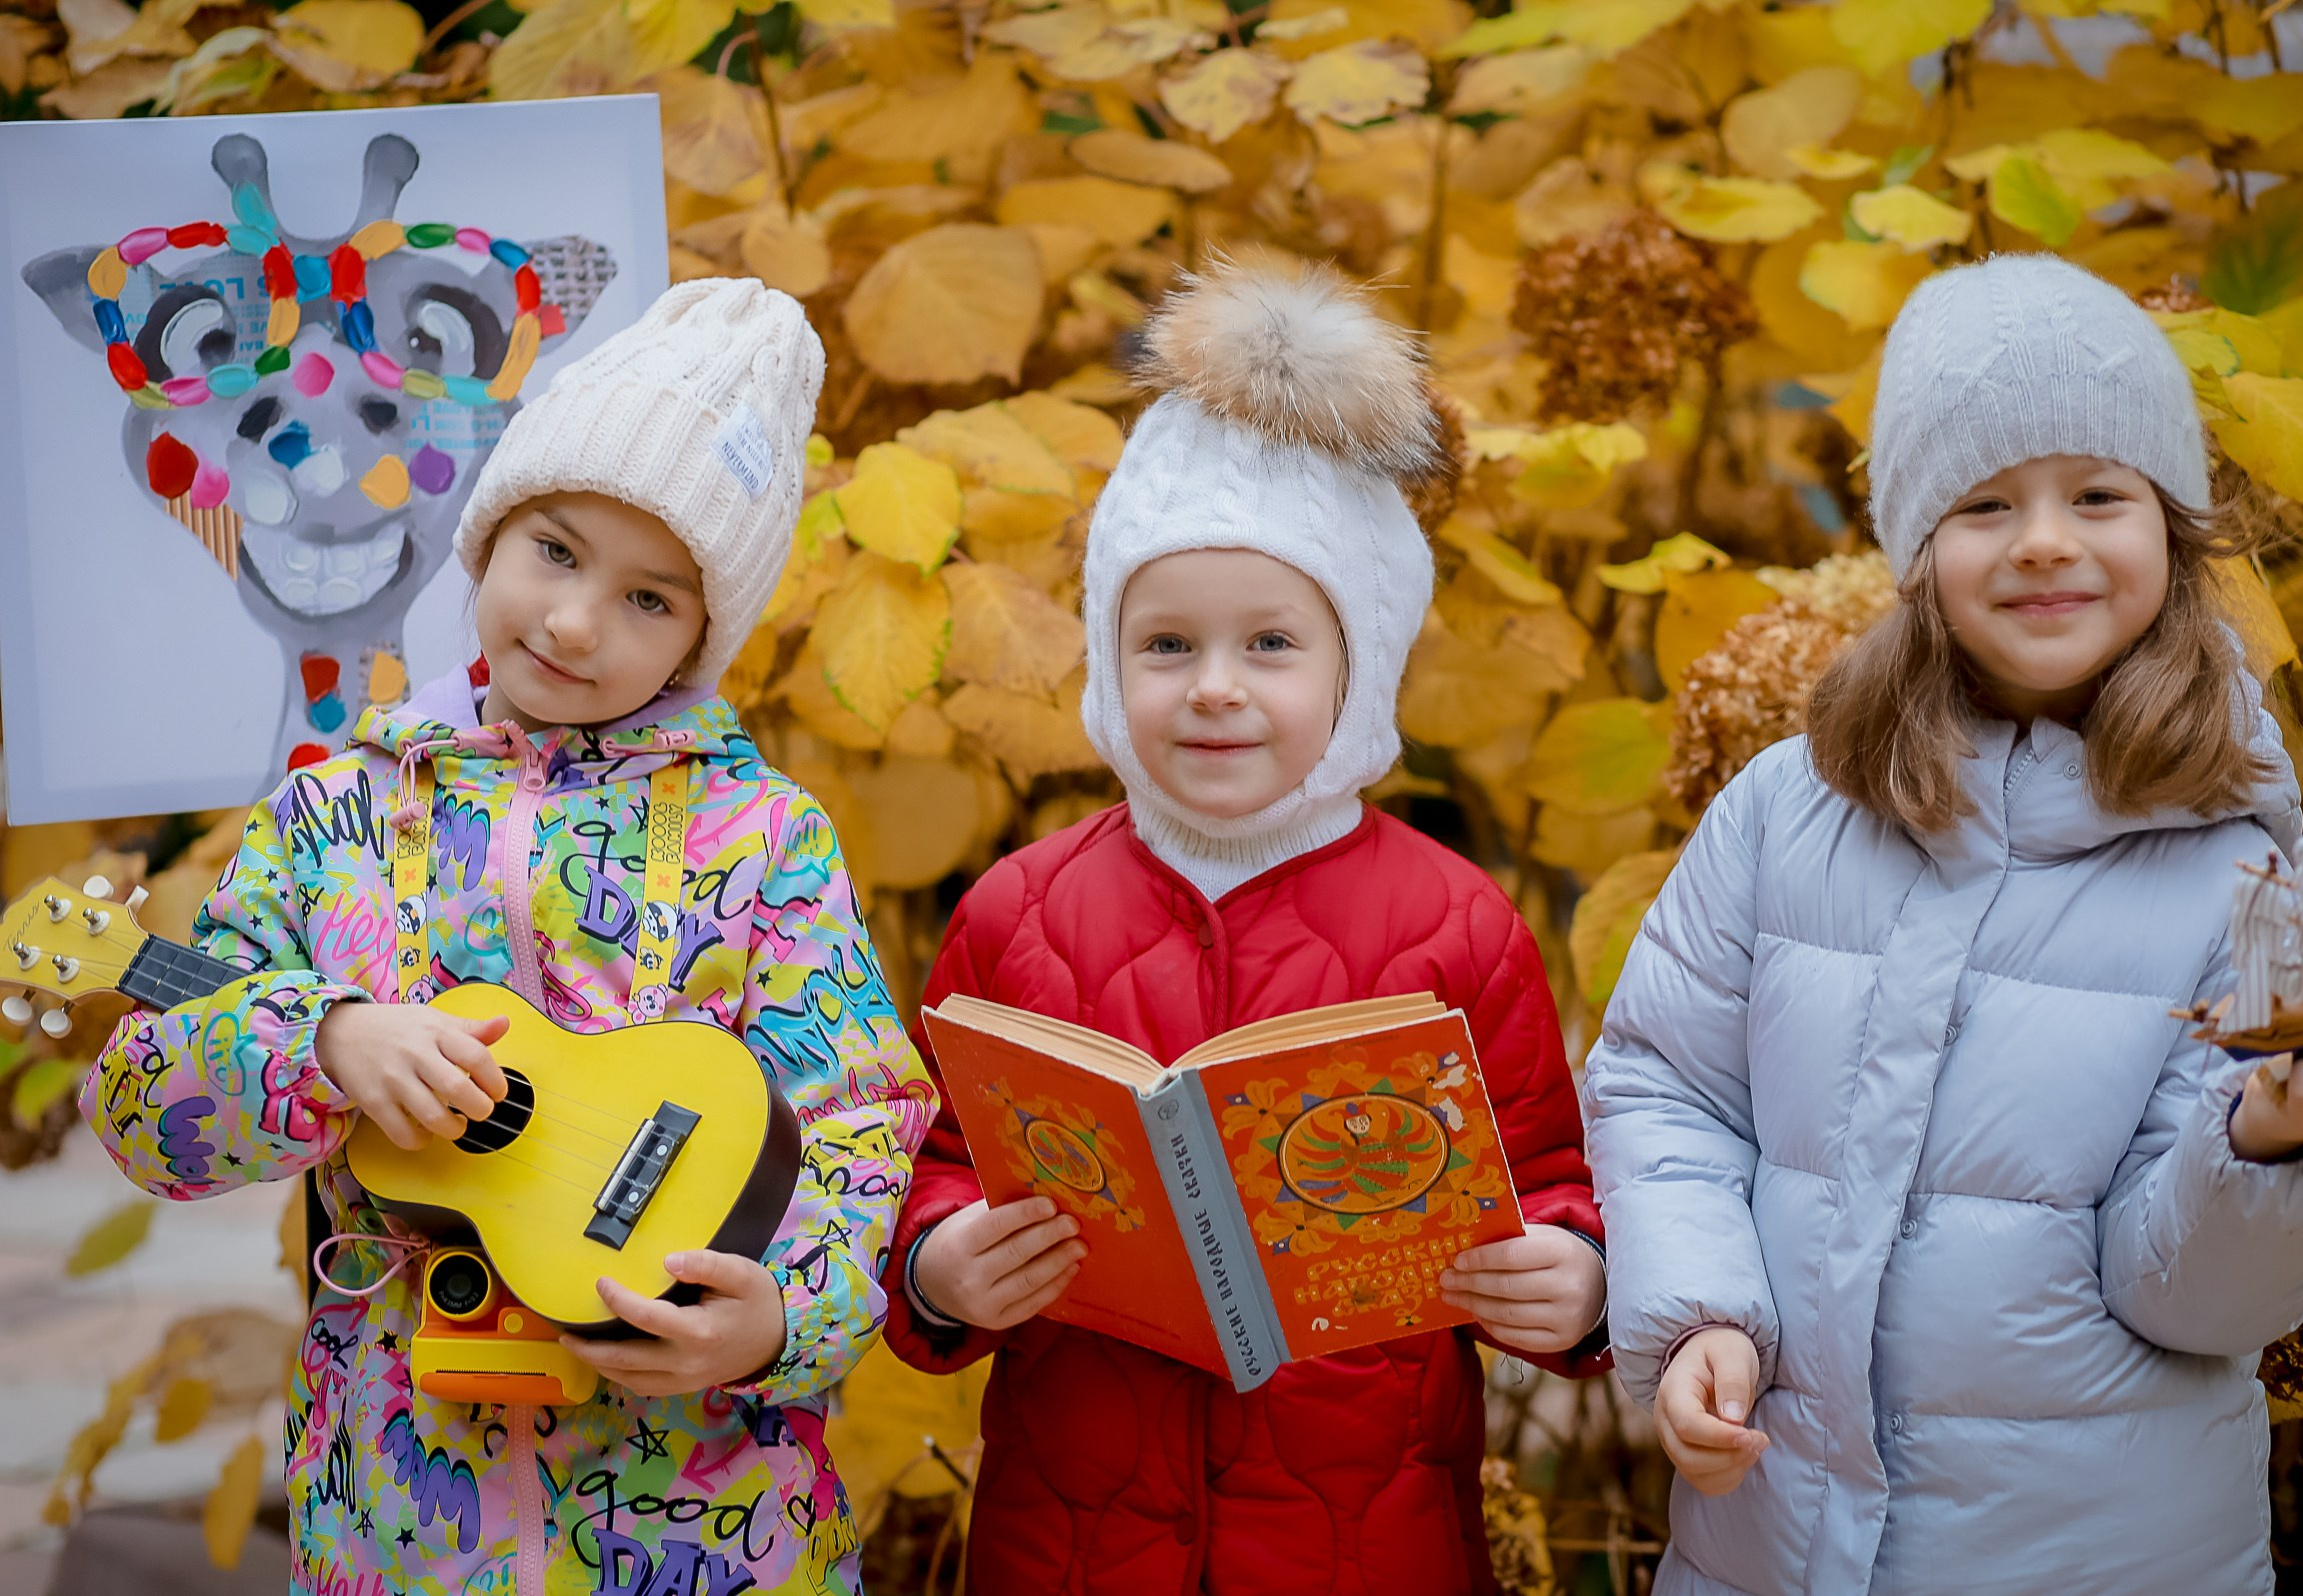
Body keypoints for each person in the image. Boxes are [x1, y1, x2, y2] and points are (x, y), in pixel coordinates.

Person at [81, 279, 935, 1596]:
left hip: (711, 1529)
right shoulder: (331, 815)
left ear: (702, 636)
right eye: (555, 549)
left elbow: (863, 1116)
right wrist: (322, 1040)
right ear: (488, 536)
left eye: (650, 599)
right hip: (398, 1525)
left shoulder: (763, 837)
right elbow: (148, 1113)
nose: (578, 621)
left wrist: (784, 1321)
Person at [1585, 253, 2303, 1596]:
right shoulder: (1787, 812)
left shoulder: (2244, 884)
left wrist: (2269, 1146)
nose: (2045, 540)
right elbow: (1667, 1088)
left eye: (2099, 494)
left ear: (2173, 527)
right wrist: (1701, 1311)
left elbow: (2198, 1301)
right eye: (1984, 501)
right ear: (1916, 549)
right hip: (1770, 1543)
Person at [877, 259, 1609, 1595]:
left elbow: (1548, 1175)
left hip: (1363, 1544)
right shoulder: (1017, 912)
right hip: (1076, 1540)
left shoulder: (1456, 922)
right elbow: (934, 1160)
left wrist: (1573, 1280)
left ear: (1357, 664)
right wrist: (936, 1265)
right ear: (1109, 661)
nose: (1216, 688)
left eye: (1272, 643)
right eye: (1166, 645)